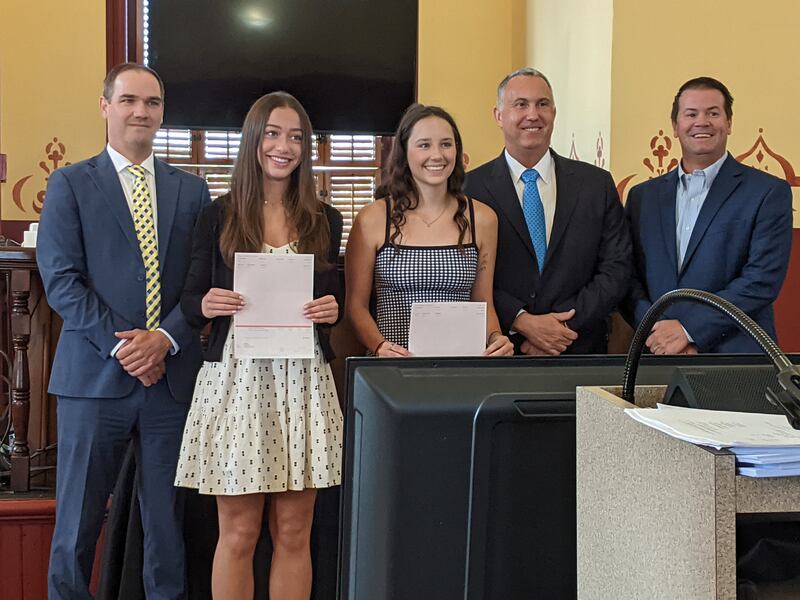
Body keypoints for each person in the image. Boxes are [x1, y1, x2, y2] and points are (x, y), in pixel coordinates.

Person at [37, 63, 211, 600]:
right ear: (105, 105)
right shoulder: (69, 183)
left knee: (166, 528)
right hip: (93, 381)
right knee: (77, 528)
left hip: (170, 382)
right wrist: (128, 345)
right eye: (130, 100)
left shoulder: (193, 190)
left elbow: (200, 281)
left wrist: (166, 339)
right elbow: (61, 282)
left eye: (153, 103)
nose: (142, 111)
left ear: (163, 113)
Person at [174, 91, 343, 600]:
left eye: (295, 137)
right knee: (239, 533)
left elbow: (330, 299)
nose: (284, 146)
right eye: (273, 133)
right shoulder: (218, 215)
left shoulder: (326, 219)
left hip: (303, 381)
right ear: (253, 141)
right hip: (238, 380)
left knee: (294, 533)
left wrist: (329, 311)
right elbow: (188, 301)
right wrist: (209, 304)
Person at [464, 68, 631, 355]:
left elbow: (616, 269)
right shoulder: (469, 190)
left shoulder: (596, 184)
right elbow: (465, 273)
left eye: (542, 104)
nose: (533, 114)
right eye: (521, 105)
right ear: (499, 115)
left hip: (580, 348)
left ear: (553, 112)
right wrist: (522, 321)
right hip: (501, 350)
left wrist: (560, 329)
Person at [625, 77, 793, 354]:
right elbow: (628, 276)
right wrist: (656, 329)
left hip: (733, 356)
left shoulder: (768, 192)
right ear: (675, 127)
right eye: (691, 114)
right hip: (656, 350)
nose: (701, 122)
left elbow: (760, 281)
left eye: (713, 113)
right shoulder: (643, 197)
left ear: (729, 123)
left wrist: (690, 331)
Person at [345, 104, 513, 358]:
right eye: (424, 145)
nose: (437, 155)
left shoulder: (483, 219)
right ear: (405, 152)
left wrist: (496, 338)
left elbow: (483, 302)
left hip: (461, 367)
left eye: (446, 144)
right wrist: (379, 346)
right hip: (393, 369)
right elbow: (356, 307)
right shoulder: (373, 218)